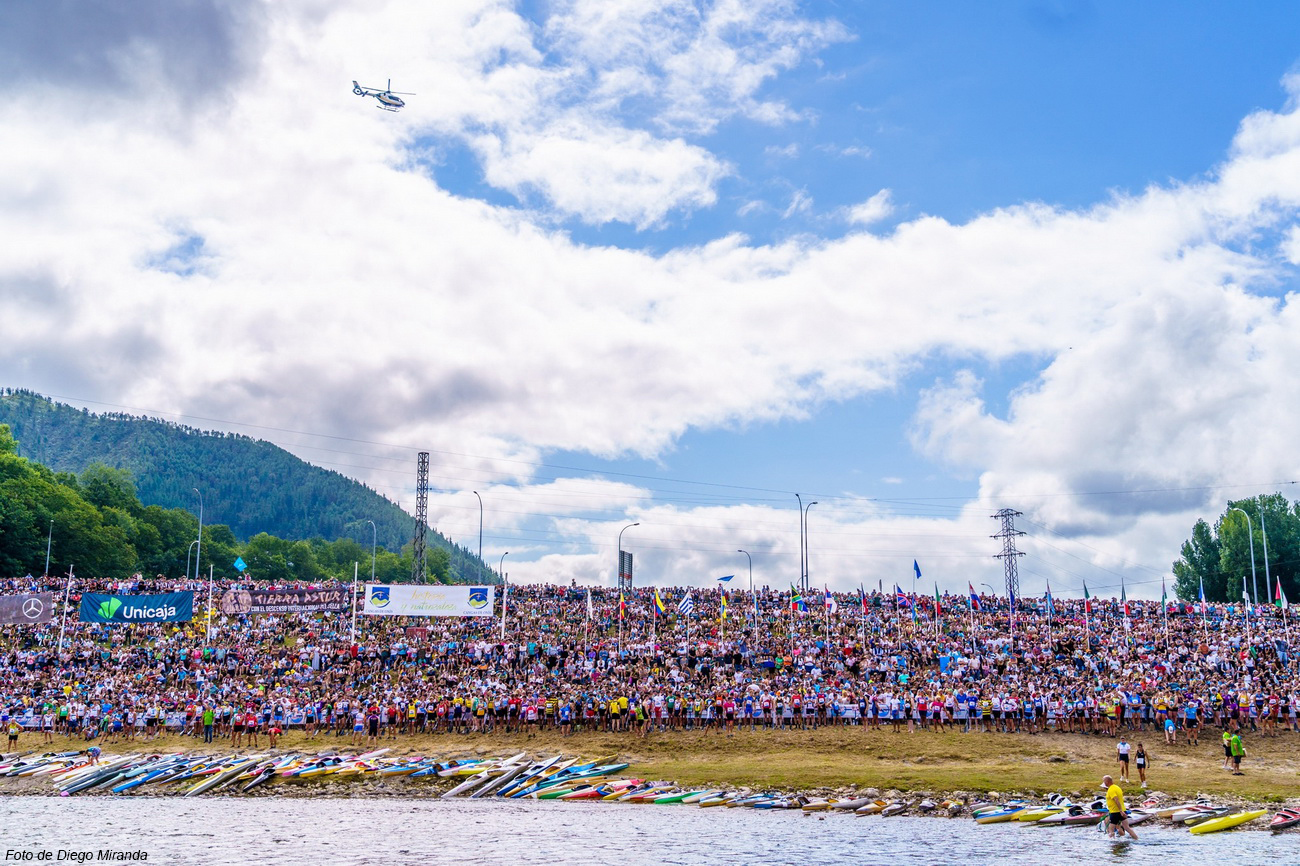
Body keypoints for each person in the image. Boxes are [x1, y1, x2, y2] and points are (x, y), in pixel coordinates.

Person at [1102, 774, 1137, 840]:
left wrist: (1120, 810)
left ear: (1107, 782)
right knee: (1127, 828)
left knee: (1111, 828)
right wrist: (1122, 810)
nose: (1104, 783)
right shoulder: (1117, 787)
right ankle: (1136, 839)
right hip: (1123, 810)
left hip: (1115, 812)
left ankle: (1112, 842)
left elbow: (1116, 799)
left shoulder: (1111, 789)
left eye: (1104, 781)